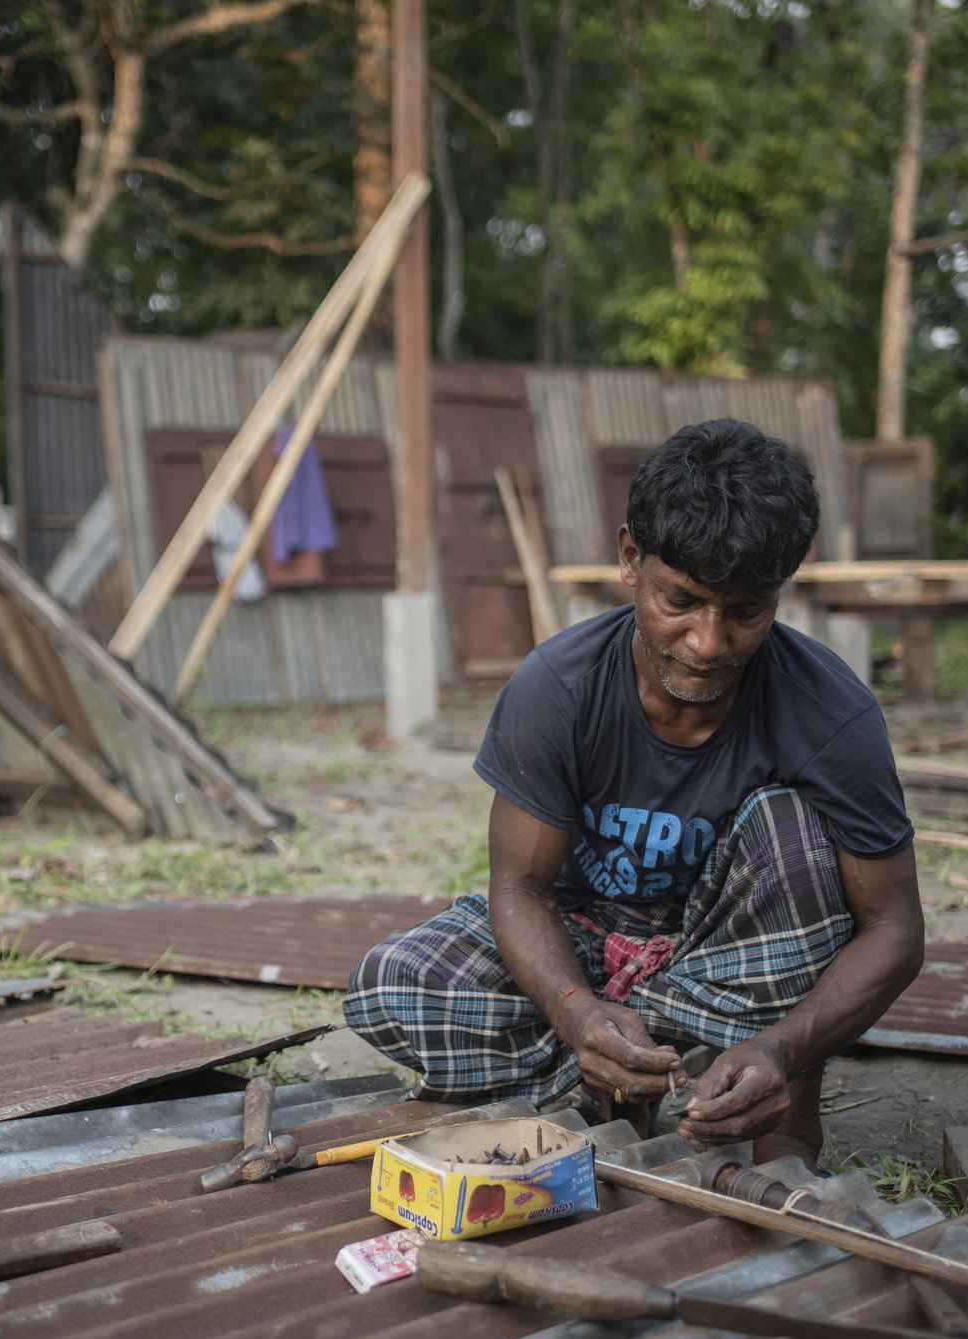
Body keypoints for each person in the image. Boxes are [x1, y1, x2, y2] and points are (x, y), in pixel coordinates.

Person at [344, 418, 923, 1168]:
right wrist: (578, 1011)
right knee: (395, 981)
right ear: (629, 559)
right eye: (680, 601)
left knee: (792, 828)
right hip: (591, 948)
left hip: (733, 962)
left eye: (746, 612)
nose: (709, 642)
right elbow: (519, 888)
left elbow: (894, 929)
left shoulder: (830, 713)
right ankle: (622, 1070)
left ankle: (760, 1099)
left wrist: (783, 1045)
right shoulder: (558, 686)